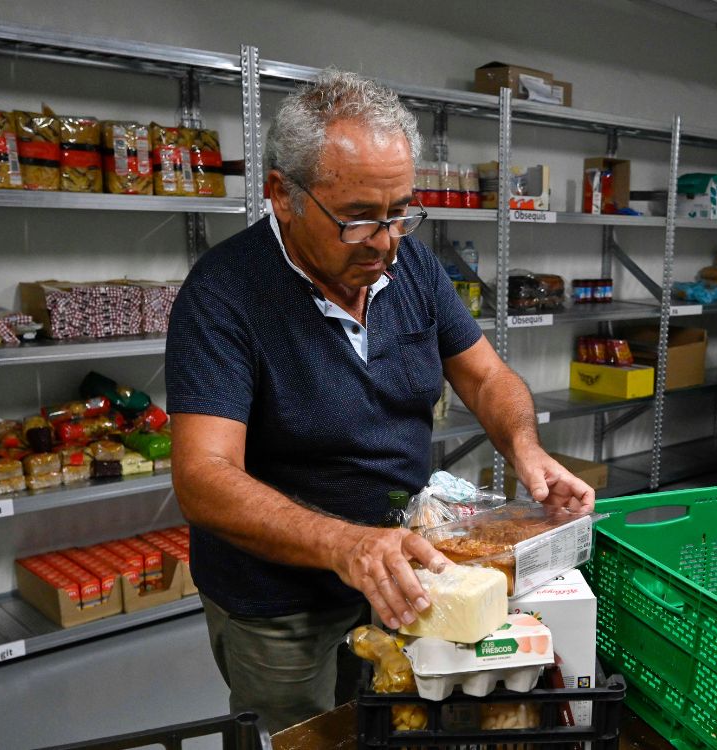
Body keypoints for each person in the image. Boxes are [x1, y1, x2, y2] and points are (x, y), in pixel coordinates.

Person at [165, 70, 595, 730]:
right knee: (298, 735)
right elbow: (203, 477)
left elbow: (485, 377)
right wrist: (345, 545)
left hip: (402, 572)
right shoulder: (224, 295)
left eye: (400, 212)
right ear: (282, 194)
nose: (388, 240)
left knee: (390, 717)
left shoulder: (412, 266)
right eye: (360, 218)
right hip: (279, 603)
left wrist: (526, 447)